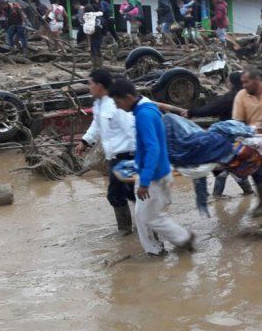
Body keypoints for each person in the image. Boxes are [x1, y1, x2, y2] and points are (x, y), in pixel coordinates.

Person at [109, 78, 194, 256]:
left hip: (154, 175)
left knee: (150, 216)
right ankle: (157, 248)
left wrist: (145, 181)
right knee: (144, 214)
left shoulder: (143, 116)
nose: (117, 107)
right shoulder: (146, 108)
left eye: (118, 102)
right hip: (159, 170)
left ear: (128, 97)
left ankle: (181, 239)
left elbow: (152, 148)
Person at [75, 70, 137, 236]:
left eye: (90, 84)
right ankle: (135, 228)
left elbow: (131, 129)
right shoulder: (99, 104)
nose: (88, 87)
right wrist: (85, 141)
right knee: (128, 193)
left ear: (99, 85)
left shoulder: (116, 105)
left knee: (121, 194)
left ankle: (129, 230)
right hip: (114, 157)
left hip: (127, 156)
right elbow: (96, 125)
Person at [181, 71, 254, 198]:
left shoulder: (230, 98)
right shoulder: (248, 95)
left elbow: (210, 109)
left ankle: (219, 195)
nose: (226, 83)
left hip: (228, 135)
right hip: (243, 135)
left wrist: (191, 112)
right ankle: (247, 192)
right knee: (232, 164)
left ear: (232, 83)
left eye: (228, 80)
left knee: (224, 164)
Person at [232, 68, 262, 216]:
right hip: (254, 139)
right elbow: (237, 122)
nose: (243, 85)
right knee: (258, 168)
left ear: (257, 80)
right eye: (242, 82)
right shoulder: (241, 96)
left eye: (246, 82)